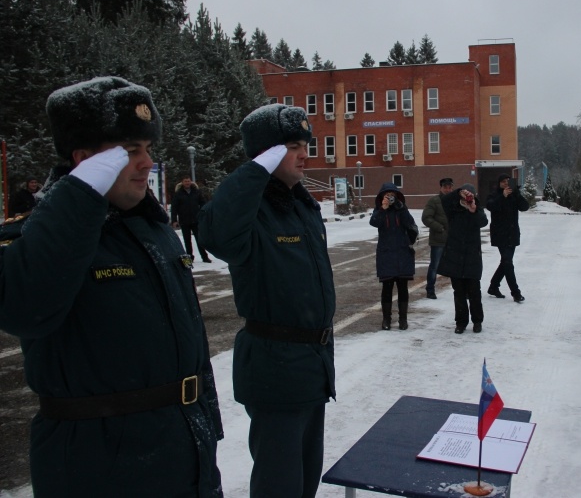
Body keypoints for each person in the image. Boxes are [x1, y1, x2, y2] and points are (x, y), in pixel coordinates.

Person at [0, 76, 224, 496]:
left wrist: (207, 434)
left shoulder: (151, 229)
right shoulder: (37, 238)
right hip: (102, 469)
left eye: (147, 149)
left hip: (185, 453)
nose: (146, 163)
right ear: (83, 161)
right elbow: (25, 309)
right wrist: (79, 195)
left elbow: (189, 341)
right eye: (128, 151)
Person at [198, 103, 335, 498]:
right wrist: (255, 170)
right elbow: (216, 235)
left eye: (305, 144)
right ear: (266, 154)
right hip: (276, 367)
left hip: (312, 365)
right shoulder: (250, 209)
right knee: (280, 484)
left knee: (306, 479)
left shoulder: (301, 205)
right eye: (292, 146)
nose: (304, 153)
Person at [436, 183, 489, 334]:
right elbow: (445, 201)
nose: (467, 199)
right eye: (465, 196)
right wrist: (459, 192)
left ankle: (477, 321)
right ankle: (461, 322)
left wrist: (473, 209)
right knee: (458, 292)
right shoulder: (453, 210)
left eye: (470, 196)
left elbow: (483, 222)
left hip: (472, 256)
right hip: (455, 255)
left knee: (474, 291)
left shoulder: (476, 209)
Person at [370, 182, 419, 330]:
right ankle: (386, 320)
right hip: (386, 254)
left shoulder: (402, 209)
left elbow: (410, 223)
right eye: (387, 195)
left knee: (403, 287)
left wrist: (401, 207)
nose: (390, 198)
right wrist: (383, 209)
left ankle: (403, 319)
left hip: (403, 253)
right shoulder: (379, 210)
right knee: (387, 288)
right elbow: (374, 223)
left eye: (393, 195)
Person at [486, 173, 530, 302]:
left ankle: (493, 286)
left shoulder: (514, 196)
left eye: (508, 181)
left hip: (512, 234)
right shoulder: (494, 195)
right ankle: (515, 292)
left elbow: (525, 207)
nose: (506, 184)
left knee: (505, 263)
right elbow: (491, 206)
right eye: (503, 182)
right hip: (500, 235)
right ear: (499, 183)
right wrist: (502, 196)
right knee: (508, 263)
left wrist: (517, 194)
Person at [421, 177, 453, 299]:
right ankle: (430, 289)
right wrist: (440, 228)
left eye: (450, 187)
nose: (448, 189)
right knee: (435, 265)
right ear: (441, 188)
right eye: (445, 187)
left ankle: (459, 289)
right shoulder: (434, 201)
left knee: (456, 265)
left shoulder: (455, 200)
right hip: (438, 239)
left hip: (453, 239)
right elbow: (426, 218)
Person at [172, 175, 212, 262]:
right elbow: (174, 208)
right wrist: (174, 220)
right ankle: (189, 258)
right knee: (187, 241)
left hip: (196, 220)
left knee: (199, 240)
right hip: (184, 220)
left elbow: (203, 203)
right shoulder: (178, 193)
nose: (187, 183)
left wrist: (203, 214)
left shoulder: (196, 192)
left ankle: (204, 257)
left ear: (191, 182)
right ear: (182, 182)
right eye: (185, 181)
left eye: (188, 181)